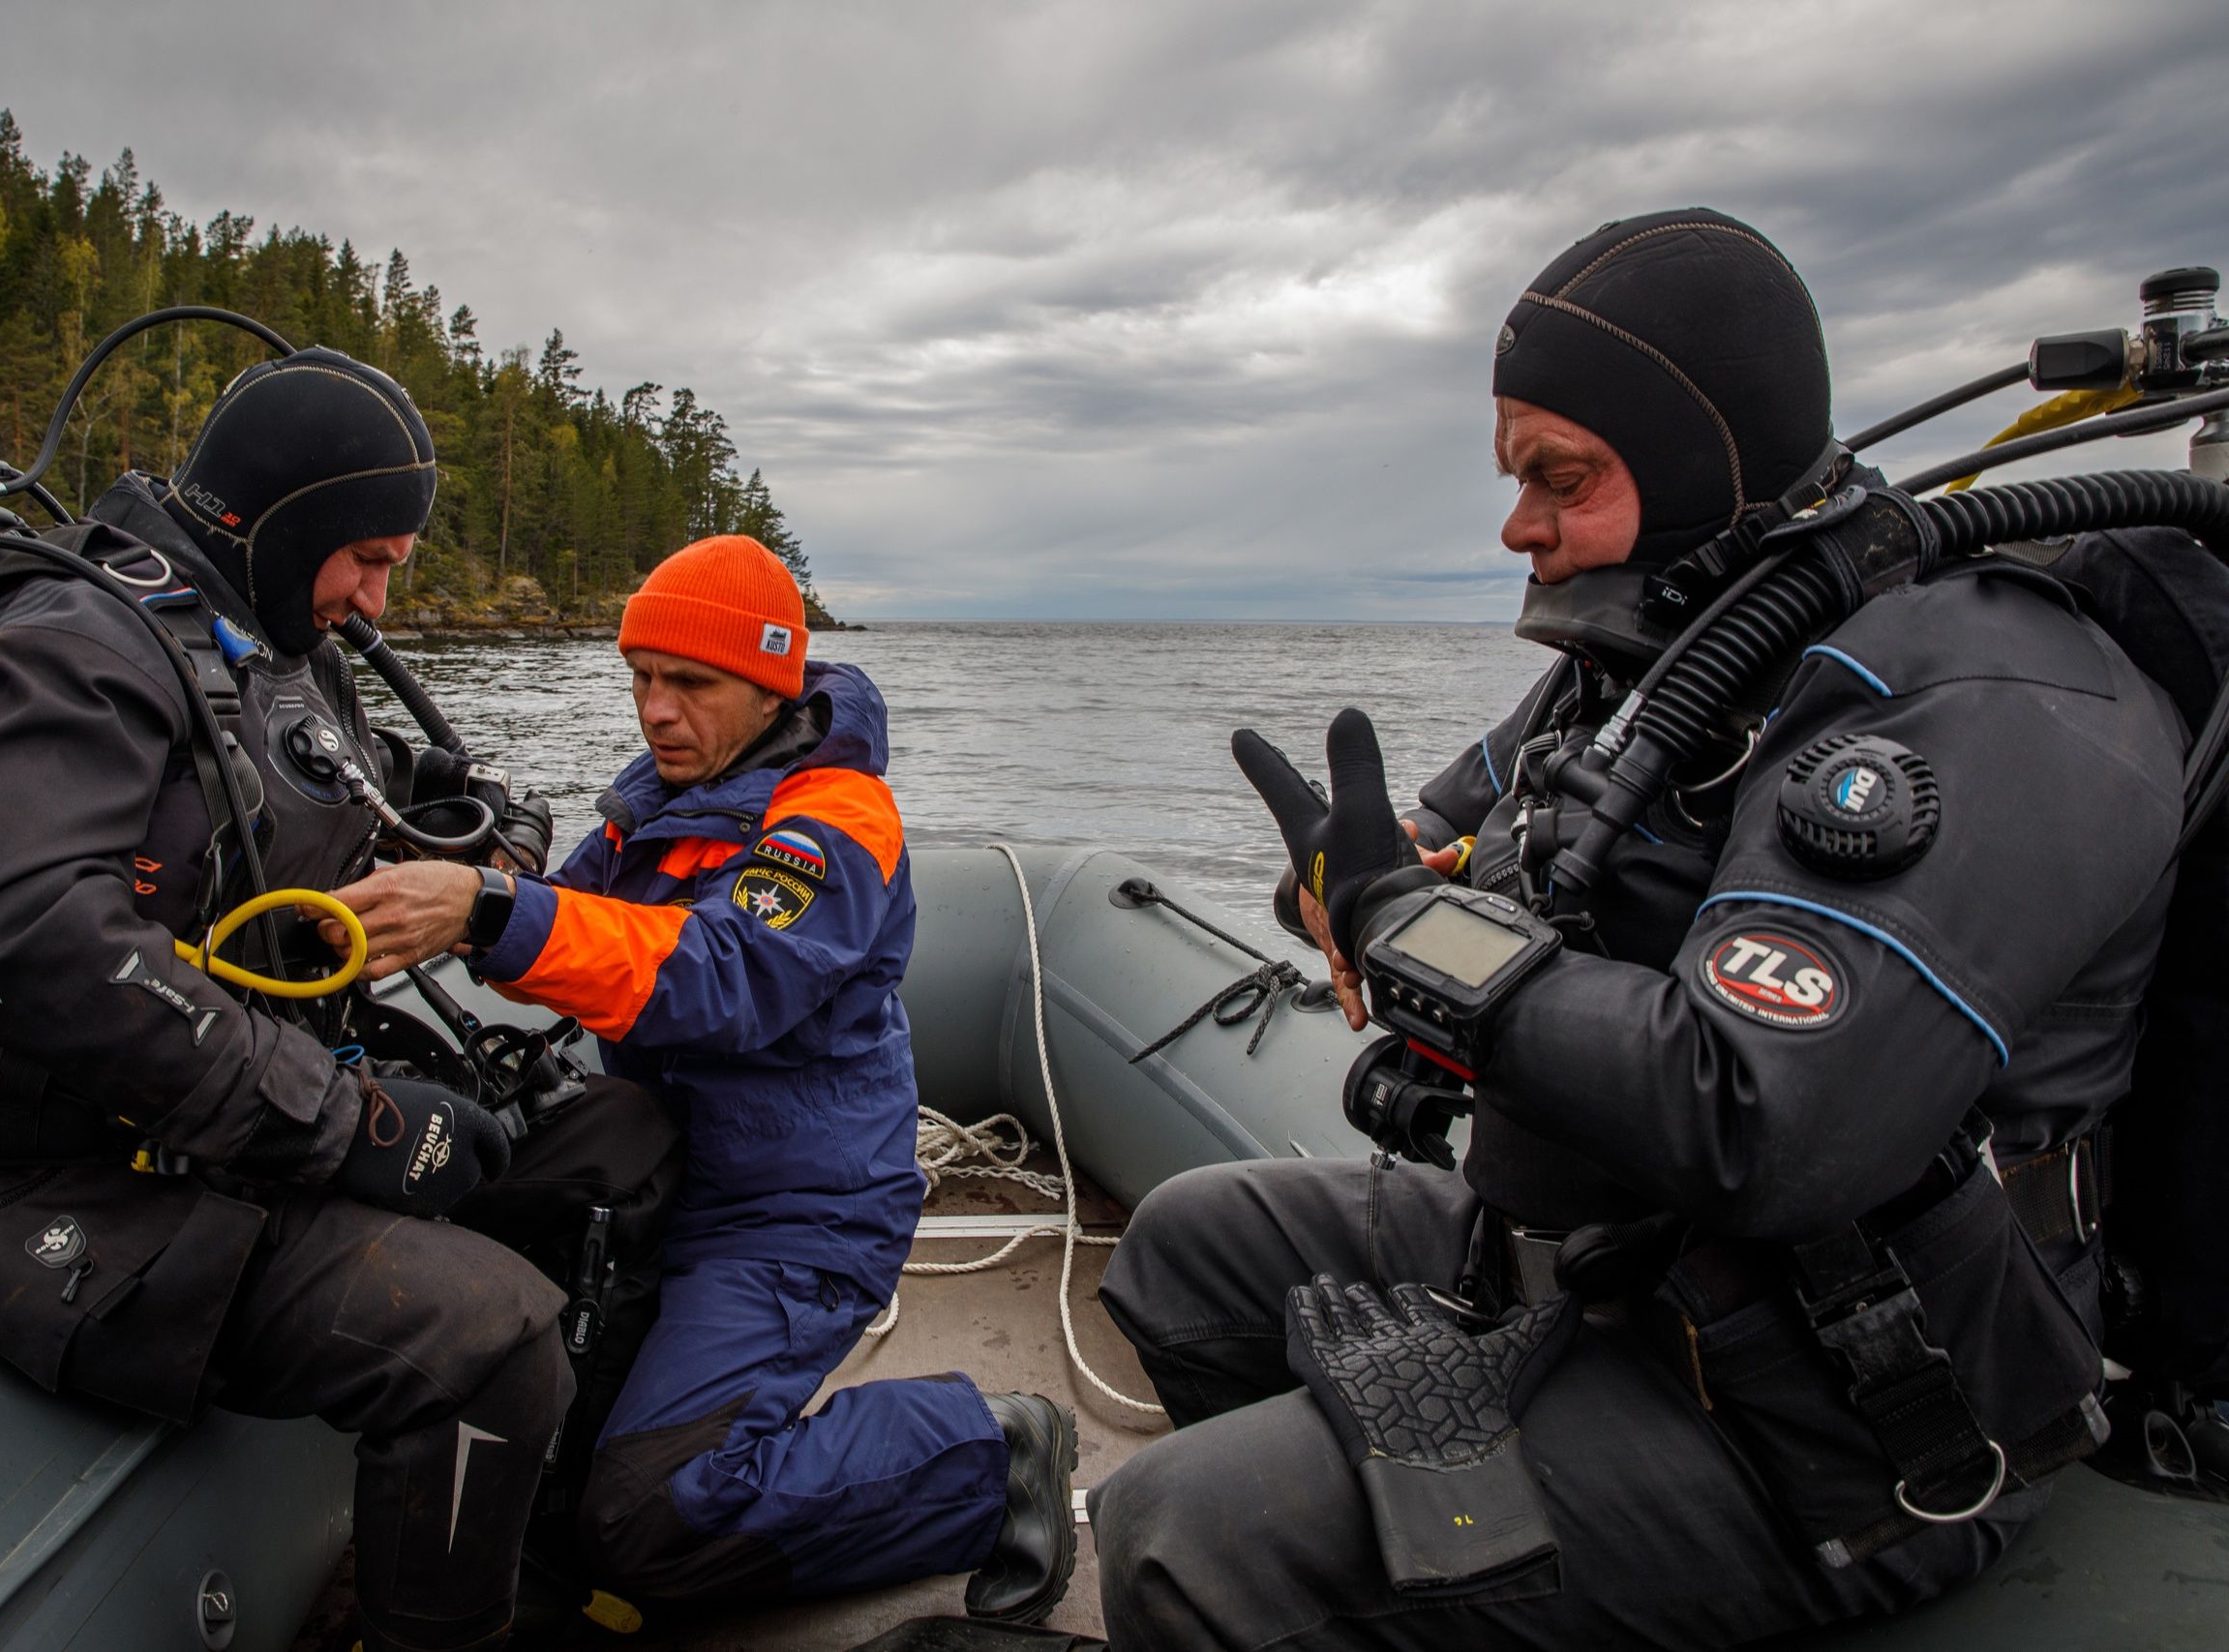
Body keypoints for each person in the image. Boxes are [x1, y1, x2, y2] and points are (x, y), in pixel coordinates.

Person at [1089, 209, 2187, 1649]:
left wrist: (1400, 926)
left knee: (1186, 1536)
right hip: (1620, 1258)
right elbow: (1432, 853)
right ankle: (1429, 1584)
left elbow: (1762, 1113)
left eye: (1562, 477)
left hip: (1856, 1394)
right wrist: (1337, 890)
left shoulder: (1990, 695)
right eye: (1517, 478)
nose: (1518, 524)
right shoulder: (1661, 660)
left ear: (1693, 462)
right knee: (1186, 1252)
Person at [0, 346, 680, 1652]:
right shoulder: (65, 648)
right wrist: (351, 1123)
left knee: (616, 1139)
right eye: (367, 559)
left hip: (229, 1134)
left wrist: (481, 835)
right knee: (491, 1331)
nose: (377, 599)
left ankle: (551, 1542)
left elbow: (379, 780)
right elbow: (22, 932)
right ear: (285, 522)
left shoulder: (276, 646)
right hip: (50, 1184)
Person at [324, 534, 1081, 1622]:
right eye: (641, 678)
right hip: (668, 1187)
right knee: (557, 1472)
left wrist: (491, 911)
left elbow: (728, 975)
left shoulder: (836, 818)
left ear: (770, 687)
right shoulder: (659, 799)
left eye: (689, 683)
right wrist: (465, 885)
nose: (656, 711)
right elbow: (567, 926)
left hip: (796, 1218)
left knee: (650, 1513)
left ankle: (987, 1453)